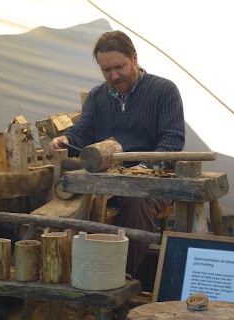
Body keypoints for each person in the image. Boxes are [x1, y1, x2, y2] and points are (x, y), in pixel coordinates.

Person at [49, 30, 185, 279]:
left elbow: (172, 142)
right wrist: (65, 140)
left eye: (119, 67)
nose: (113, 76)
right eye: (106, 71)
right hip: (106, 180)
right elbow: (80, 135)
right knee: (61, 198)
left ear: (134, 58)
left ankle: (120, 278)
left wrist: (143, 168)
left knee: (137, 201)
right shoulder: (97, 96)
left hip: (152, 181)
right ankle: (69, 275)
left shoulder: (164, 90)